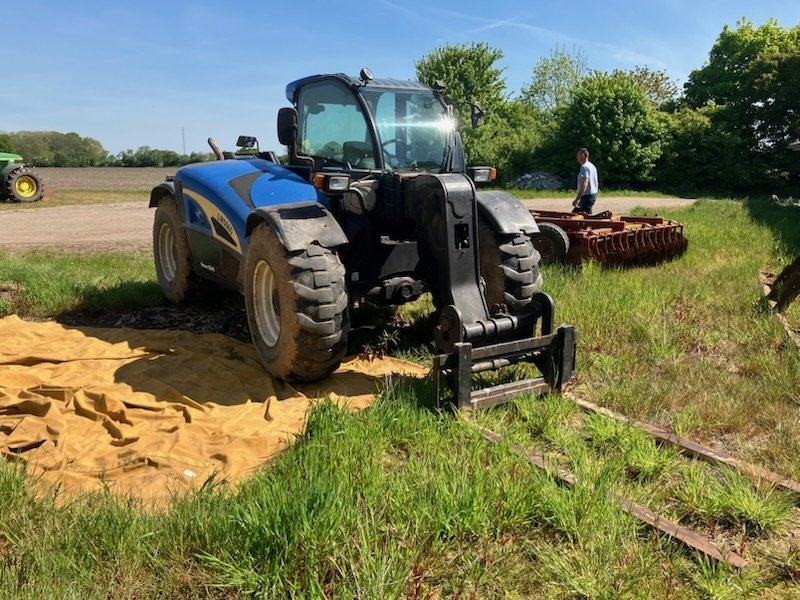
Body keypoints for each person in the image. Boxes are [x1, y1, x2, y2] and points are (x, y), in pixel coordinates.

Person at [572, 148, 599, 214]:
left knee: (584, 219)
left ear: (583, 155)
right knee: (574, 214)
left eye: (578, 155)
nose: (577, 157)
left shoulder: (584, 167)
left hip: (587, 197)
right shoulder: (591, 166)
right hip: (592, 195)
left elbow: (584, 184)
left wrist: (577, 199)